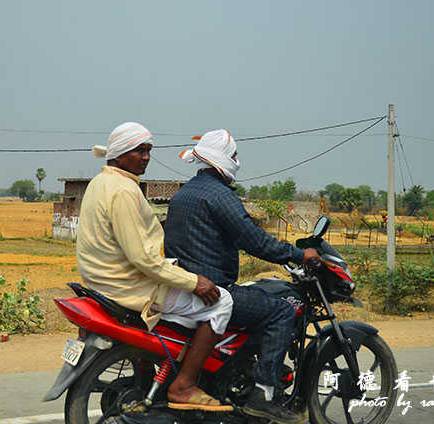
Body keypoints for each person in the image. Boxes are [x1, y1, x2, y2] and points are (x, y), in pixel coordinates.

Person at [164, 129, 321, 424]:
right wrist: (300, 254)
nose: (238, 160)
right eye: (234, 155)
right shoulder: (220, 196)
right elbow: (256, 241)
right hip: (213, 288)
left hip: (182, 288)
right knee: (280, 311)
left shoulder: (184, 193)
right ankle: (263, 396)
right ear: (222, 158)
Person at [76, 122, 234, 412]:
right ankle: (184, 386)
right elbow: (143, 259)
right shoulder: (123, 190)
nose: (146, 157)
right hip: (130, 285)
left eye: (148, 151)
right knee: (222, 302)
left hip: (102, 281)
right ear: (120, 154)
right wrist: (193, 281)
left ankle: (153, 371)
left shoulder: (101, 182)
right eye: (140, 151)